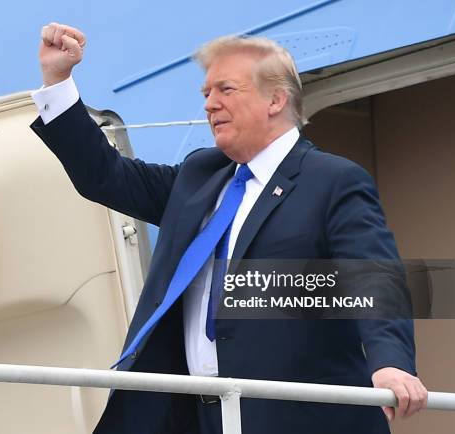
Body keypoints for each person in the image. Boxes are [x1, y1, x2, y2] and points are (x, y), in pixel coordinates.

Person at [30, 23, 428, 434]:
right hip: (197, 418)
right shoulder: (200, 175)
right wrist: (58, 82)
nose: (209, 104)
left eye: (225, 90)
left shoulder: (332, 181)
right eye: (206, 93)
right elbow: (104, 175)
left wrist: (391, 366)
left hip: (293, 419)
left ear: (276, 99)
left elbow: (375, 281)